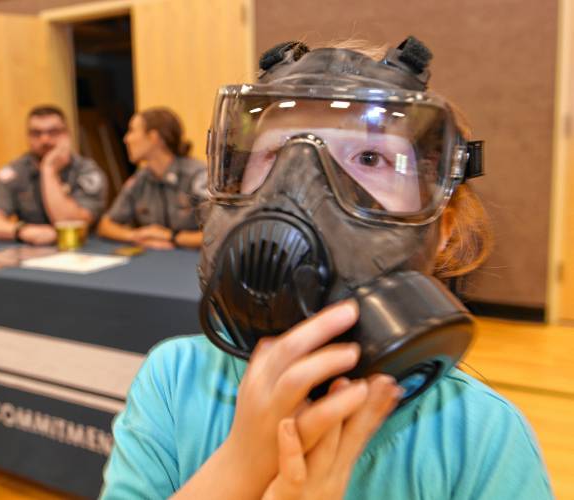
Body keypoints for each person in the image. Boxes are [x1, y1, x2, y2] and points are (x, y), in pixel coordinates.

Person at [100, 39, 553, 499]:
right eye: (274, 155)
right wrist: (242, 465)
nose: (301, 187)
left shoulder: (480, 438)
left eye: (369, 158)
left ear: (444, 231)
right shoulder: (175, 380)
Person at [0, 105, 107, 245]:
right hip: (32, 251)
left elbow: (69, 224)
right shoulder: (16, 171)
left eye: (53, 132)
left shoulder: (86, 171)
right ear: (28, 137)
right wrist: (22, 231)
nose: (45, 140)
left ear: (67, 135)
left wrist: (48, 169)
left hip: (82, 250)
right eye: (36, 133)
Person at [96, 108, 207, 250]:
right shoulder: (140, 179)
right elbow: (105, 226)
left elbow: (219, 236)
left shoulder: (197, 176)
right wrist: (136, 235)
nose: (126, 139)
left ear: (153, 137)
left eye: (132, 131)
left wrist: (172, 237)